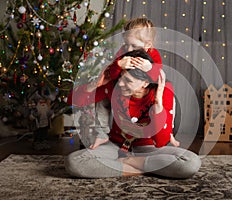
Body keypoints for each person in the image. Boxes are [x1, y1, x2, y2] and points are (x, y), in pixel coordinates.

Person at [65, 49, 201, 178]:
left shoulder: (163, 91)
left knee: (190, 163)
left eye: (128, 80)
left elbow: (161, 142)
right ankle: (136, 169)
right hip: (116, 146)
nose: (121, 84)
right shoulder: (115, 87)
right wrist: (96, 84)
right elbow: (73, 100)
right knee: (74, 162)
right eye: (120, 78)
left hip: (149, 149)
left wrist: (158, 104)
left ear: (145, 83)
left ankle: (131, 163)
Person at [92, 17, 179, 147]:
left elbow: (159, 77)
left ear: (148, 45)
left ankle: (169, 132)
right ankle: (101, 133)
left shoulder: (153, 54)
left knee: (167, 94)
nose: (129, 49)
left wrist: (150, 69)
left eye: (134, 46)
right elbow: (112, 74)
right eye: (127, 44)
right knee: (101, 94)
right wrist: (119, 64)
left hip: (144, 85)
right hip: (122, 82)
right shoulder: (123, 51)